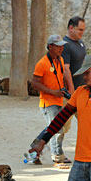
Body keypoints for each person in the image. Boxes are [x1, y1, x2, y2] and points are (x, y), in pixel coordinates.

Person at [31, 34, 71, 168]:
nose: (61, 48)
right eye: (58, 46)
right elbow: (35, 83)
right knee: (56, 129)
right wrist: (53, 92)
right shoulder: (42, 63)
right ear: (50, 47)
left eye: (62, 46)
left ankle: (34, 148)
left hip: (58, 99)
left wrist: (64, 91)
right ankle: (57, 157)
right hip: (48, 102)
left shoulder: (59, 60)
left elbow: (60, 77)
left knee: (53, 128)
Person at [62, 16, 86, 91]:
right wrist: (71, 88)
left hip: (84, 87)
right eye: (80, 30)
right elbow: (66, 69)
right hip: (74, 89)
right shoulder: (65, 45)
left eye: (83, 30)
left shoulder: (81, 42)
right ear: (71, 28)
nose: (82, 32)